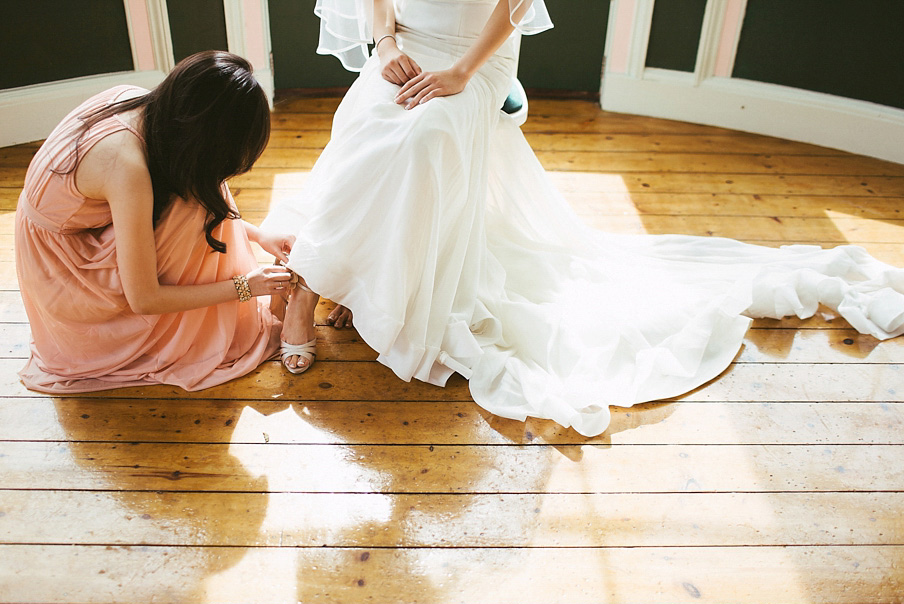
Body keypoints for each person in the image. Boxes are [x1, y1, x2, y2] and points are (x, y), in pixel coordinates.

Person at [270, 0, 904, 436]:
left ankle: (324, 277)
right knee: (368, 121)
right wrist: (383, 46)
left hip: (474, 58)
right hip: (404, 42)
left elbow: (513, 5)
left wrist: (461, 73)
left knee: (426, 137)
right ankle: (328, 278)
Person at [15, 51, 298, 393]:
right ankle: (216, 333)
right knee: (196, 198)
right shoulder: (125, 167)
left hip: (71, 233)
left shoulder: (137, 100)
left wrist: (259, 236)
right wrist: (244, 287)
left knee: (200, 184)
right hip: (63, 270)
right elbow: (144, 299)